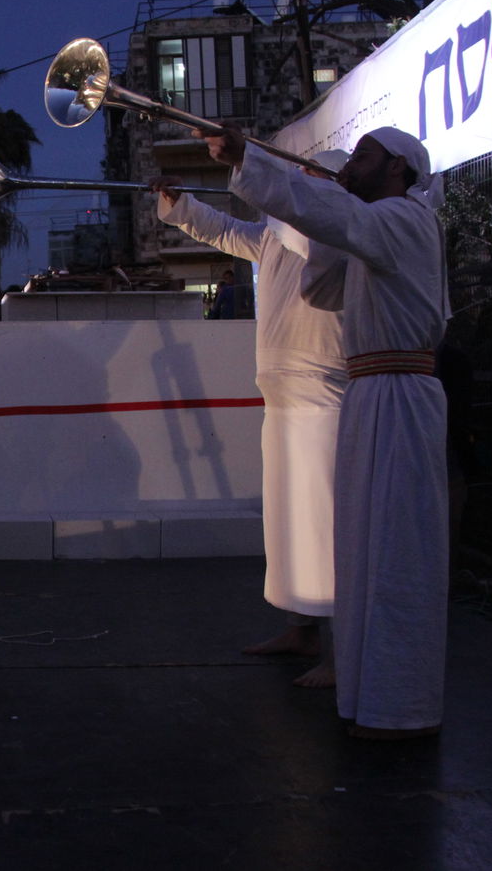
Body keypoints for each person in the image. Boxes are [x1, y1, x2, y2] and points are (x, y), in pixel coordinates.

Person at [205, 123, 449, 740]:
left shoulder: (404, 217)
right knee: (364, 545)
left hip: (397, 392)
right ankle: (372, 694)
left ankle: (402, 706)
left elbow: (332, 224)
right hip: (372, 394)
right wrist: (321, 212)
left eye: (364, 157)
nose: (354, 166)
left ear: (398, 169)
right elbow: (321, 288)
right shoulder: (372, 230)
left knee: (394, 548)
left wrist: (256, 163)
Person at [152, 150, 349, 687]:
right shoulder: (278, 234)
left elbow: (304, 231)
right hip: (283, 398)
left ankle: (342, 654)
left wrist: (278, 197)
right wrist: (183, 205)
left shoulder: (334, 230)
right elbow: (225, 231)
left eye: (308, 176)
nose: (298, 183)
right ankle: (302, 627)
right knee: (288, 528)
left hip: (324, 399)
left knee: (327, 529)